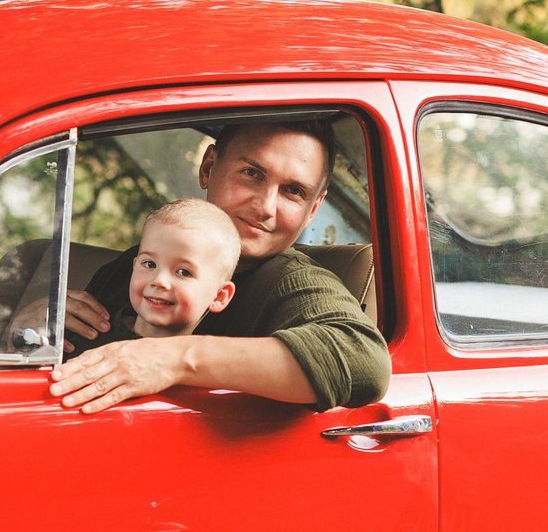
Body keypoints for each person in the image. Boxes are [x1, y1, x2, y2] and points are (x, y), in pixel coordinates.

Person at [28, 118, 391, 414]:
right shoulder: (136, 262)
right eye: (251, 173)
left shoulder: (291, 283)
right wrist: (30, 330)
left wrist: (173, 359)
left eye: (293, 191)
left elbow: (365, 362)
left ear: (313, 209)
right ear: (208, 167)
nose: (265, 206)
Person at [107, 199, 241, 341]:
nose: (159, 280)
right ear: (135, 266)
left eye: (184, 272)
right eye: (150, 264)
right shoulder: (91, 327)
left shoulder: (204, 362)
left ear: (219, 296)